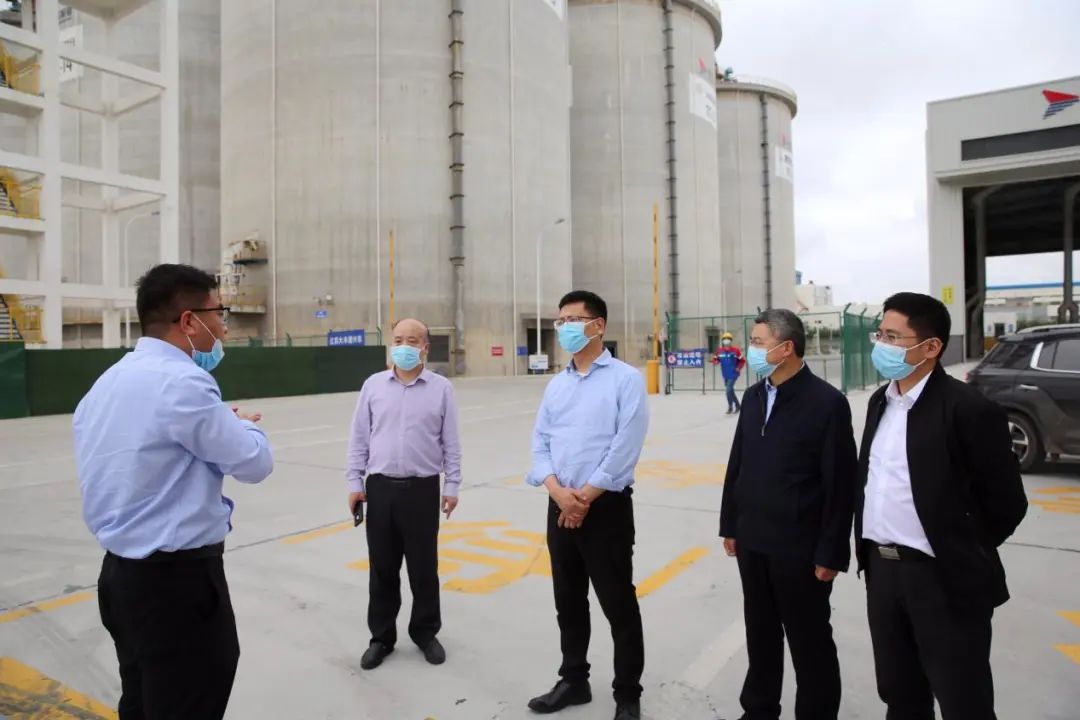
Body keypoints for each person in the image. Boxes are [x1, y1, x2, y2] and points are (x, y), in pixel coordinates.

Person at [74, 263, 274, 720]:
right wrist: (244, 428)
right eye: (218, 314)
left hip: (120, 578)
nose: (223, 327)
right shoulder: (183, 382)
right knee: (189, 699)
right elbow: (253, 463)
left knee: (142, 699)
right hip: (176, 586)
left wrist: (219, 425)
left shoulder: (106, 384)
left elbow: (154, 454)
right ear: (189, 321)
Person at [856, 292, 1027, 719]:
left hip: (943, 579)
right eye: (880, 334)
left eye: (893, 337)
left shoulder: (969, 409)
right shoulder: (880, 402)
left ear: (931, 347)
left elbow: (1007, 503)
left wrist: (960, 547)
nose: (881, 345)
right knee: (900, 694)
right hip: (883, 573)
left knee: (962, 698)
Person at [719, 308, 857, 720]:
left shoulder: (827, 403)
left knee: (809, 641)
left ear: (786, 348)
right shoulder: (754, 396)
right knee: (760, 633)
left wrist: (832, 552)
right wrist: (730, 524)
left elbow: (840, 484)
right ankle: (759, 710)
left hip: (800, 547)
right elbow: (738, 463)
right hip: (753, 539)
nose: (752, 349)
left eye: (758, 342)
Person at [526, 290, 649, 720]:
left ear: (598, 326)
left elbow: (625, 447)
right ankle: (574, 680)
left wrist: (585, 497)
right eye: (560, 321)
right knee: (569, 599)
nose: (564, 328)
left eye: (573, 320)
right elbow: (539, 443)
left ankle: (627, 694)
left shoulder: (625, 380)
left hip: (606, 509)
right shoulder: (556, 385)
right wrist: (558, 492)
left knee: (618, 603)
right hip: (559, 504)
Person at [345, 318, 462, 671]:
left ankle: (425, 632)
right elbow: (359, 438)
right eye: (398, 340)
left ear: (425, 347)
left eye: (412, 340)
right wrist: (355, 483)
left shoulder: (441, 389)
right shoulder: (373, 386)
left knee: (424, 568)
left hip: (422, 489)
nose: (404, 346)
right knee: (382, 567)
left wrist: (452, 485)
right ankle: (381, 637)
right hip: (380, 489)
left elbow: (451, 442)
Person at [713, 330, 746, 414]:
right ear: (722, 341)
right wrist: (715, 362)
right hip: (725, 374)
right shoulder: (719, 351)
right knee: (730, 390)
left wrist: (738, 367)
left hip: (734, 373)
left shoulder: (736, 350)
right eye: (725, 339)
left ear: (731, 341)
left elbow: (742, 360)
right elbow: (715, 359)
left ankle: (730, 407)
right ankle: (738, 405)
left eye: (728, 339)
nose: (726, 340)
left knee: (728, 390)